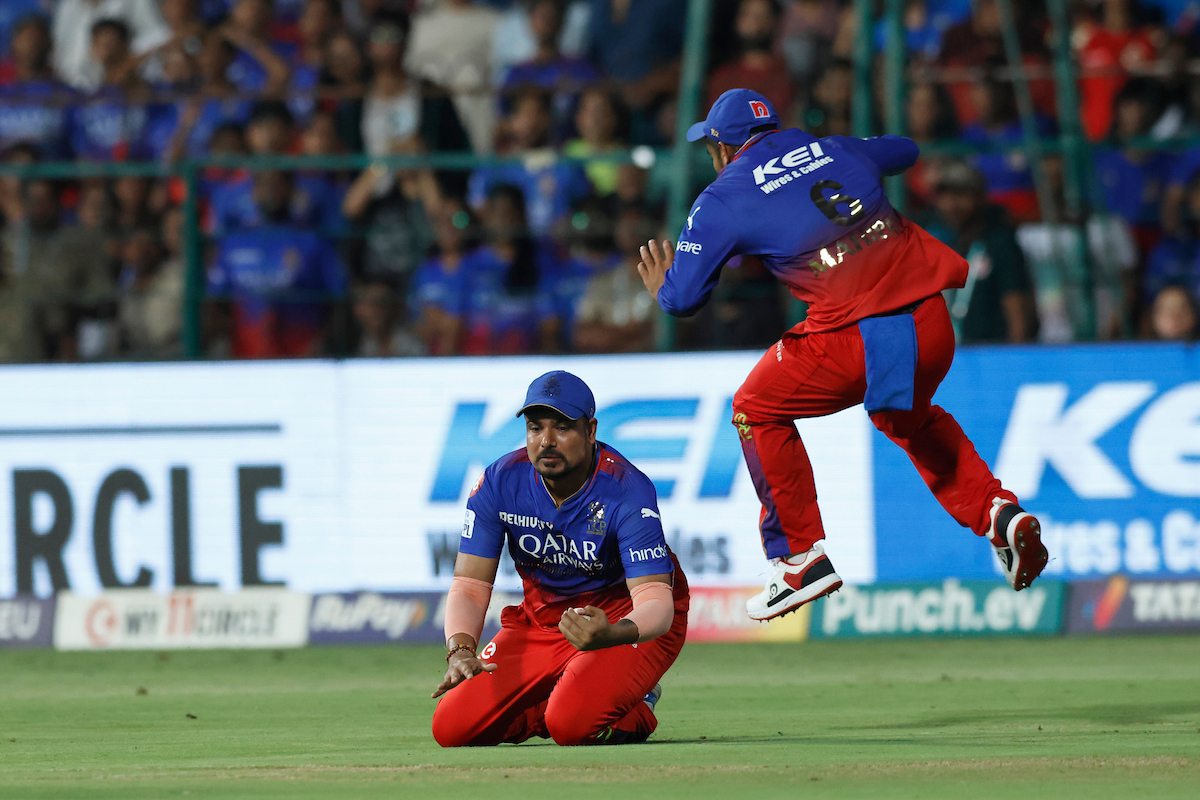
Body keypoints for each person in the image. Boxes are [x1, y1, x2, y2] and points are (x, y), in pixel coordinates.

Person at [635, 89, 1049, 622]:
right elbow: (904, 151)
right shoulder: (834, 149)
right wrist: (845, 152)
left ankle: (797, 559)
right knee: (908, 420)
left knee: (755, 407)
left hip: (856, 338)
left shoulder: (724, 195)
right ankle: (998, 514)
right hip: (930, 321)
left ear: (721, 147)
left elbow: (682, 299)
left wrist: (661, 288)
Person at [431, 370, 689, 747]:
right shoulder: (500, 481)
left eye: (562, 427)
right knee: (452, 728)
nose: (546, 441)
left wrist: (611, 634)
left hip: (623, 623)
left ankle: (637, 705)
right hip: (542, 624)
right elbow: (469, 585)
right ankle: (569, 696)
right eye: (535, 428)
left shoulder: (627, 490)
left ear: (591, 430)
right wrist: (461, 649)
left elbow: (655, 602)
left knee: (572, 727)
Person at [927, 161, 1036, 344]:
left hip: (991, 354)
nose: (953, 205)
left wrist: (1016, 355)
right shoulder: (936, 242)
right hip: (948, 357)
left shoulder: (1000, 243)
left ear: (979, 198)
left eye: (961, 195)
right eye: (946, 197)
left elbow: (1016, 305)